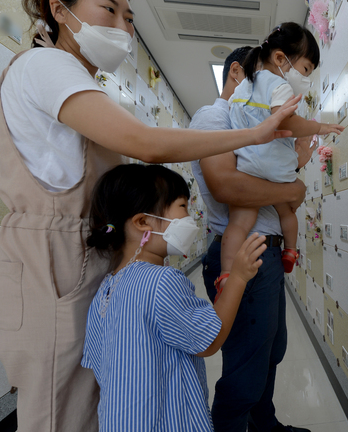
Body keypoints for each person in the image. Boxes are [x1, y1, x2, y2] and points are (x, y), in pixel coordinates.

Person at [0, 0, 300, 431]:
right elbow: (147, 144)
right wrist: (257, 135)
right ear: (59, 10)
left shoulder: (82, 81)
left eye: (128, 17)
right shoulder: (45, 65)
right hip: (50, 264)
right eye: (107, 9)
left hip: (83, 255)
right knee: (59, 415)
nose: (122, 27)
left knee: (96, 409)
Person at [80, 164, 266, 431]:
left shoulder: (106, 288)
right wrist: (237, 277)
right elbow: (209, 340)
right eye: (182, 207)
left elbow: (99, 363)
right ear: (143, 222)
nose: (190, 218)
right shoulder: (161, 281)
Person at [190, 46, 317, 432]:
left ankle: (265, 424)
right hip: (241, 254)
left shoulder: (254, 122)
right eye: (267, 78)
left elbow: (273, 174)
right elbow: (227, 185)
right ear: (237, 73)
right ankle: (230, 425)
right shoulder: (216, 116)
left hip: (268, 255)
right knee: (245, 370)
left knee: (270, 353)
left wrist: (292, 171)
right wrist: (290, 190)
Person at [218, 22, 344, 293]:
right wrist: (320, 127)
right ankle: (290, 251)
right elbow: (287, 122)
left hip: (247, 168)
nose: (307, 78)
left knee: (238, 223)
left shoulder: (241, 89)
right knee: (286, 212)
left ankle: (227, 274)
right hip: (276, 171)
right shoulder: (279, 85)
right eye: (306, 69)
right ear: (280, 58)